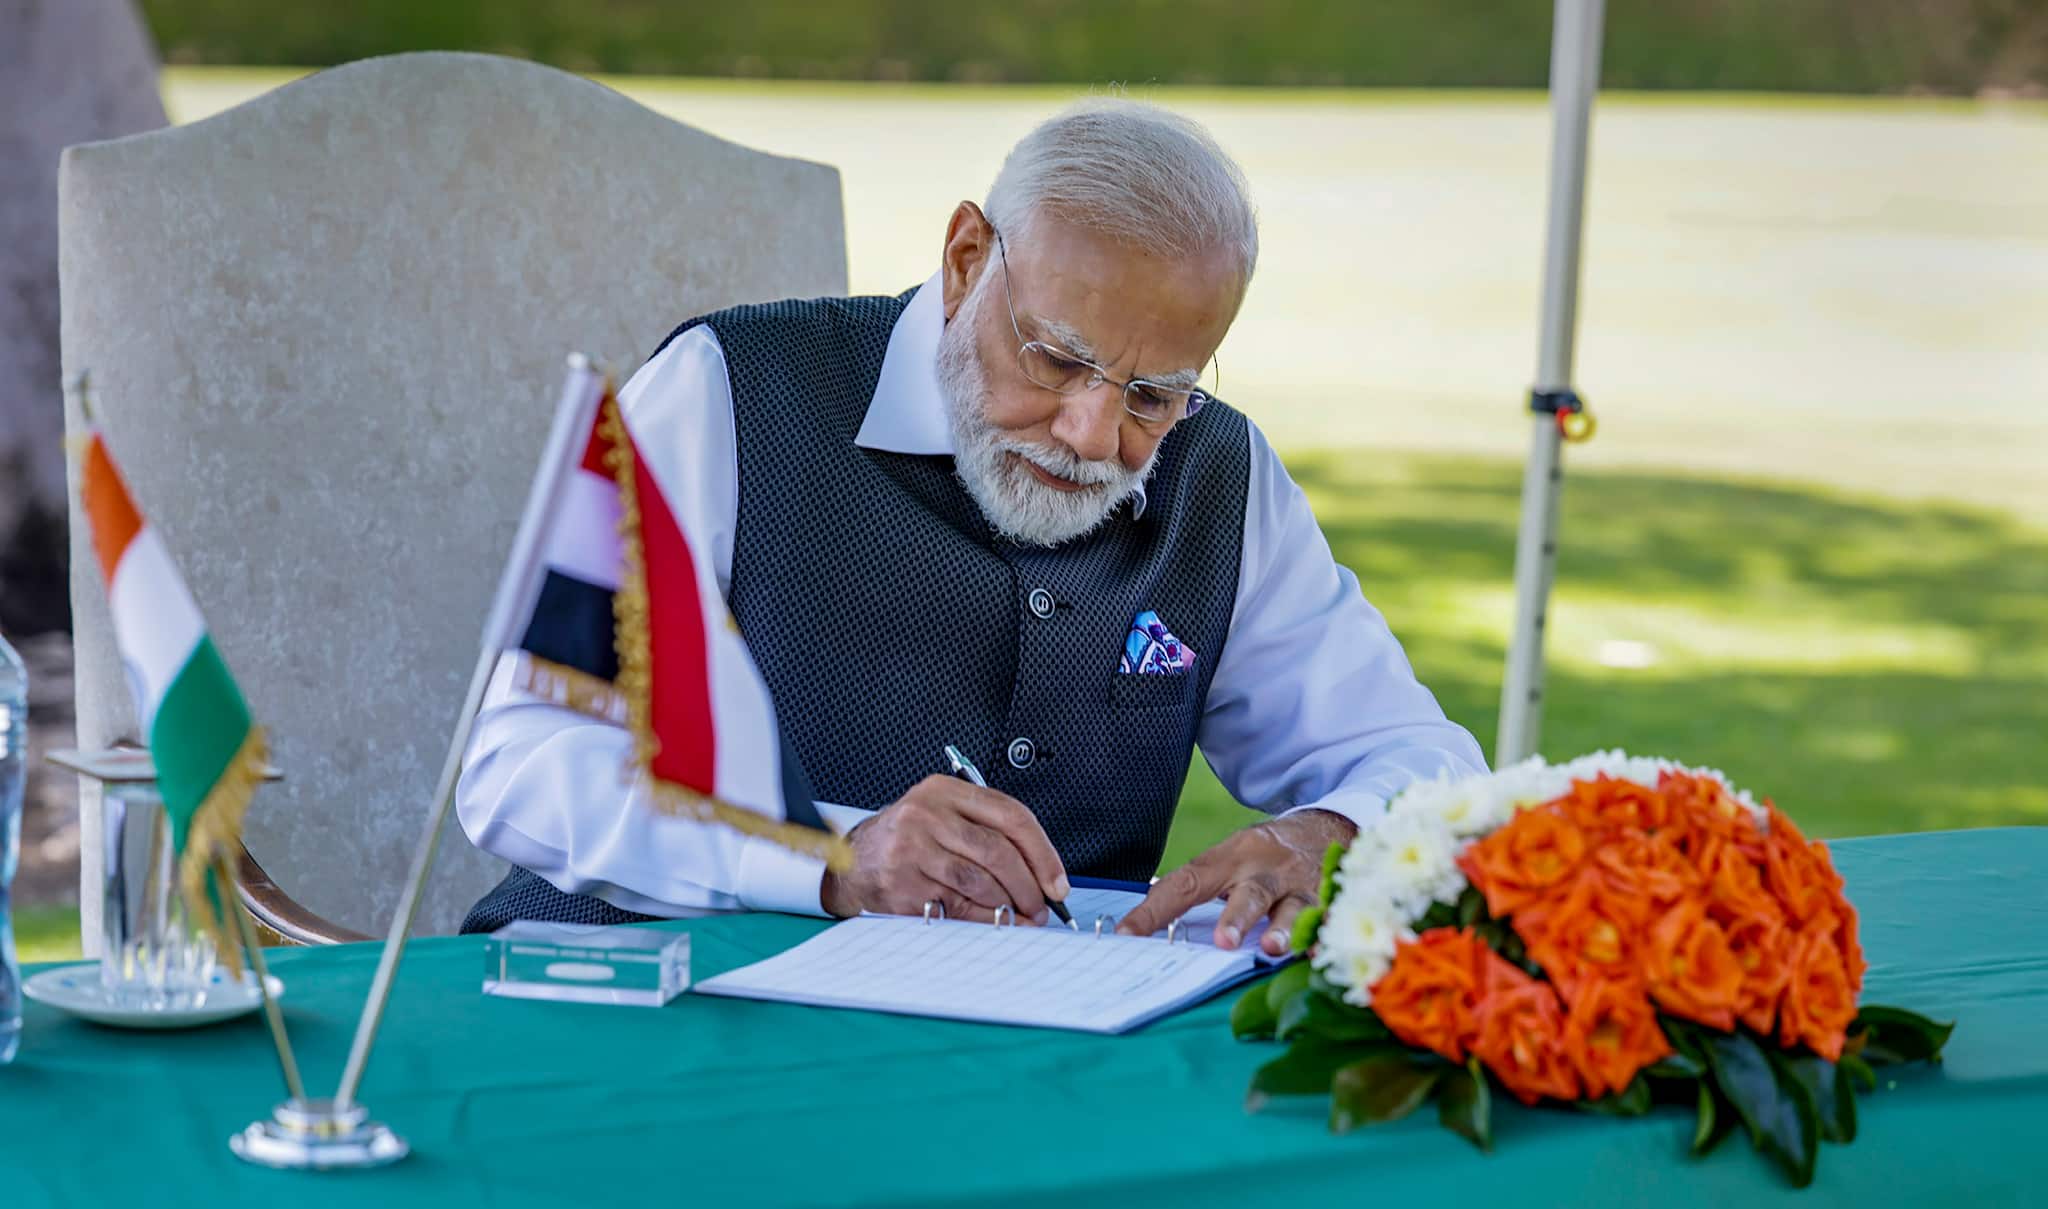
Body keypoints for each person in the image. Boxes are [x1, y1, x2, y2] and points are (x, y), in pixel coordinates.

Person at [457, 99, 1485, 954]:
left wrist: (1334, 832)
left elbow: (1415, 756)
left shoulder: (1222, 472)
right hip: (629, 1023)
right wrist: (828, 857)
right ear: (963, 260)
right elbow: (517, 763)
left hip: (1018, 1070)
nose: (1090, 431)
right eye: (1054, 357)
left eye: (1154, 394)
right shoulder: (727, 392)